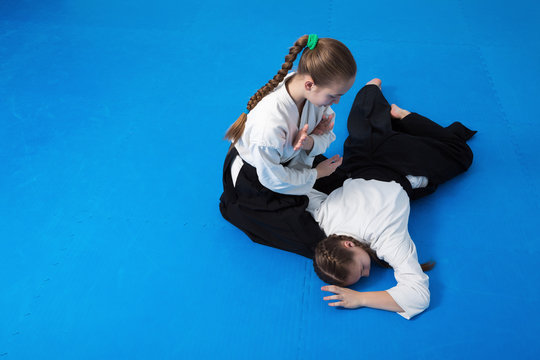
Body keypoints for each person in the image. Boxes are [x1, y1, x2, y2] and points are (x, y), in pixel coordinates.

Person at [308, 78, 476, 319]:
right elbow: (304, 194)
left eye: (363, 267)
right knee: (361, 123)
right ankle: (373, 92)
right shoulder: (325, 221)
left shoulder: (385, 240)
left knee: (462, 155)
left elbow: (419, 297)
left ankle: (405, 117)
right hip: (359, 160)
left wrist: (360, 298)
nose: (368, 274)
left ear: (348, 245)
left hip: (401, 162)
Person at [220, 34, 357, 258]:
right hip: (256, 179)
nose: (337, 102)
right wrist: (315, 174)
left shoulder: (310, 93)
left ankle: (308, 185)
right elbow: (272, 179)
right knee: (315, 241)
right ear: (310, 84)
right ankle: (239, 209)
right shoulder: (269, 125)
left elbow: (328, 134)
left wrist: (311, 141)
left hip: (289, 161)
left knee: (348, 182)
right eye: (334, 95)